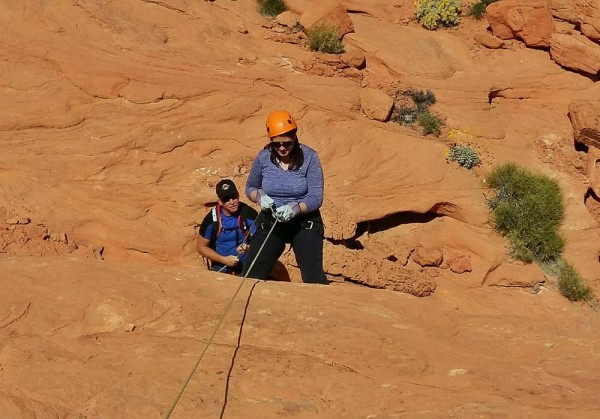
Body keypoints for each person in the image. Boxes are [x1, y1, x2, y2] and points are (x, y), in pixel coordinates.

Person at [242, 110, 328, 284]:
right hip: (271, 219)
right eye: (276, 144)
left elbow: (315, 196)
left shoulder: (310, 157)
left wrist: (295, 208)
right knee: (251, 272)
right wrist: (260, 197)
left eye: (287, 144)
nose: (282, 148)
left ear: (295, 137)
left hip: (303, 221)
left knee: (313, 276)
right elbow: (250, 187)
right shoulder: (264, 157)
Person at [197, 179, 258, 275]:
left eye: (234, 197)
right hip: (220, 270)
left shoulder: (249, 214)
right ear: (220, 202)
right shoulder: (212, 220)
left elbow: (261, 241)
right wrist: (224, 260)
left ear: (238, 196)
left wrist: (248, 248)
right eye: (226, 199)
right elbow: (201, 247)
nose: (232, 202)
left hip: (246, 269)